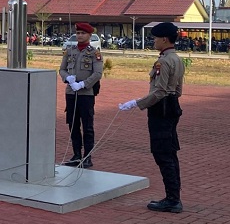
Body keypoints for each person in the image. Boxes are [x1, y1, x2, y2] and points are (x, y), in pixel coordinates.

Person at [119, 22, 186, 213]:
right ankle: (174, 196)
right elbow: (178, 90)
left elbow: (160, 91)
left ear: (164, 39)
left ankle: (173, 199)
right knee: (170, 153)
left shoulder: (163, 61)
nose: (154, 41)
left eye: (156, 38)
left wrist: (137, 103)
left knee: (163, 153)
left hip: (161, 109)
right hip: (172, 107)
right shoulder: (177, 59)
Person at [58, 22, 103, 169]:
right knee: (73, 125)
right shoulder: (70, 51)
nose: (79, 36)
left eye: (83, 33)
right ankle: (76, 155)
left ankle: (87, 156)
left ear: (89, 35)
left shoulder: (94, 53)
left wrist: (83, 84)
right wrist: (67, 78)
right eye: (78, 33)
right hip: (71, 92)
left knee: (87, 126)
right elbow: (62, 69)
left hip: (86, 93)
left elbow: (97, 73)